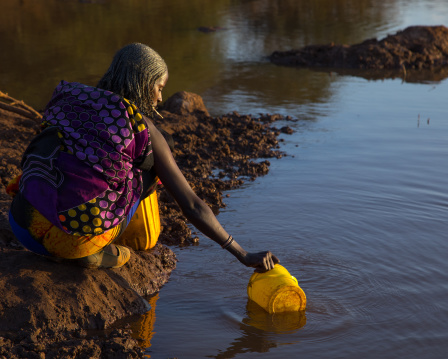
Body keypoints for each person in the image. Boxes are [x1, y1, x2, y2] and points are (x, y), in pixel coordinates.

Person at [8, 43, 279, 272]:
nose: (160, 98)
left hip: (22, 226)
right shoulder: (143, 127)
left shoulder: (74, 99)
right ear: (144, 83)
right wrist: (242, 253)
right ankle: (106, 247)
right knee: (148, 162)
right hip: (71, 241)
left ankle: (72, 240)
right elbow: (192, 206)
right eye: (160, 87)